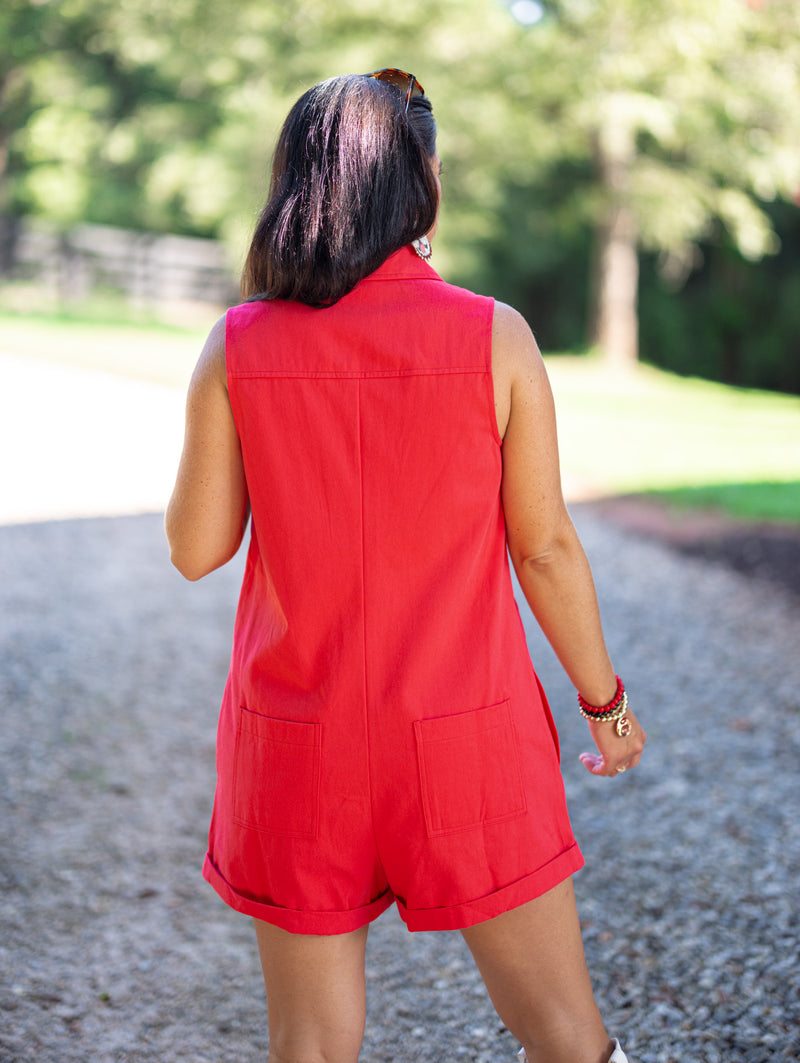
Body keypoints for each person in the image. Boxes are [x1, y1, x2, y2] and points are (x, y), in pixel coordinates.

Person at [165, 69, 646, 1063]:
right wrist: (603, 701)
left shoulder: (236, 343)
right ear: (420, 179)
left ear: (295, 182)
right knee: (564, 1036)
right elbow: (543, 545)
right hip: (466, 737)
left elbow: (194, 547)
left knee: (310, 1043)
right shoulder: (493, 335)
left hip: (296, 739)